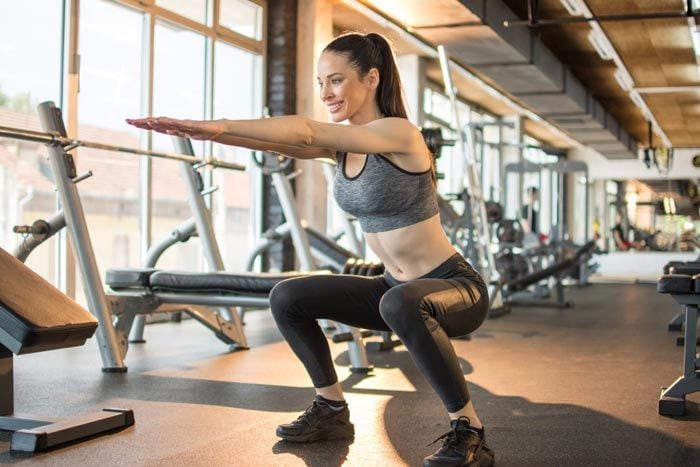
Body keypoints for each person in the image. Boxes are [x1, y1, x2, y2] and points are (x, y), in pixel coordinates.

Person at [127, 31, 494, 467]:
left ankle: (469, 430)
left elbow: (302, 132)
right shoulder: (342, 147)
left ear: (372, 78)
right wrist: (211, 136)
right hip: (394, 288)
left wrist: (219, 123)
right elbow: (277, 141)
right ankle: (331, 410)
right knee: (288, 296)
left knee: (400, 302)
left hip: (453, 288)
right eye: (321, 83)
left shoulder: (400, 133)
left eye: (336, 81)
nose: (326, 93)